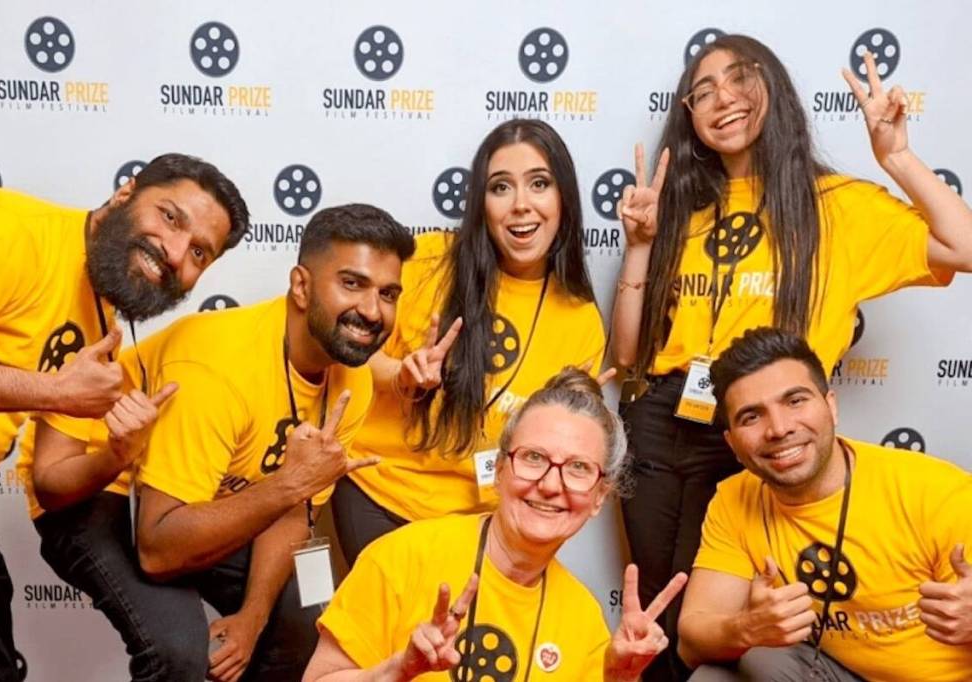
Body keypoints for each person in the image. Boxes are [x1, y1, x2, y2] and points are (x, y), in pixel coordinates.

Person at [609, 36, 972, 681]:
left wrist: (899, 157)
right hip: (663, 419)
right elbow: (630, 354)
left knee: (734, 617)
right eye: (703, 90)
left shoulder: (836, 206)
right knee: (660, 611)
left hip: (754, 428)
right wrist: (639, 245)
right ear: (687, 115)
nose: (721, 99)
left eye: (738, 78)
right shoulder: (683, 205)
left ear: (772, 86)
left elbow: (964, 246)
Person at [23, 203, 413, 682]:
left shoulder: (353, 382)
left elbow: (291, 509)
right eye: (352, 284)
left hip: (210, 497)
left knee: (305, 618)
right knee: (178, 652)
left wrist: (252, 618)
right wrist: (289, 485)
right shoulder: (218, 368)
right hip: (99, 484)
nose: (373, 312)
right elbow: (159, 550)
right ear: (302, 286)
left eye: (388, 293)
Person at [0, 153, 247, 682]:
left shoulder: (99, 322)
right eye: (170, 217)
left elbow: (55, 483)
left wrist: (118, 453)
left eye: (199, 251)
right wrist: (56, 391)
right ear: (125, 194)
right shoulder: (10, 232)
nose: (174, 251)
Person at [331, 118, 606, 566]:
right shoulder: (427, 261)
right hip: (381, 493)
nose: (521, 205)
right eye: (500, 188)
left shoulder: (581, 319)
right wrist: (402, 375)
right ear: (481, 203)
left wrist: (584, 423)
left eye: (539, 184)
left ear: (564, 199)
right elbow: (349, 353)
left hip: (485, 517)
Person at [306, 367, 688, 681]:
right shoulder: (402, 557)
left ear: (599, 497)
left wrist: (618, 679)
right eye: (534, 458)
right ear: (500, 469)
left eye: (578, 468)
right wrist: (394, 671)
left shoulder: (584, 620)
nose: (551, 485)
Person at [677, 326, 972, 681]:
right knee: (722, 674)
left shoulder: (936, 491)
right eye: (751, 416)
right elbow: (691, 640)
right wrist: (747, 628)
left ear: (830, 406)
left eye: (795, 401)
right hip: (837, 671)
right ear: (732, 443)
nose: (779, 428)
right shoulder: (734, 498)